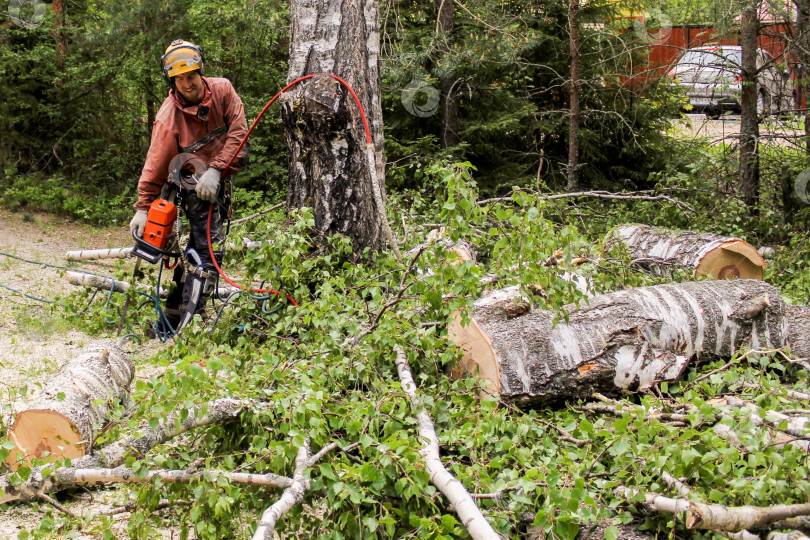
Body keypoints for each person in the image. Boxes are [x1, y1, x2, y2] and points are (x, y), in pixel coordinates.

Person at [129, 39, 249, 333]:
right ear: (172, 81)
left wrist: (217, 170)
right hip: (189, 185)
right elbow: (156, 163)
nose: (187, 84)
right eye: (179, 79)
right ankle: (190, 325)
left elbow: (239, 133)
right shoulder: (169, 116)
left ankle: (169, 320)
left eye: (191, 76)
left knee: (193, 254)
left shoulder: (222, 90)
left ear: (200, 72)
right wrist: (144, 208)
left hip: (217, 181)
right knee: (208, 253)